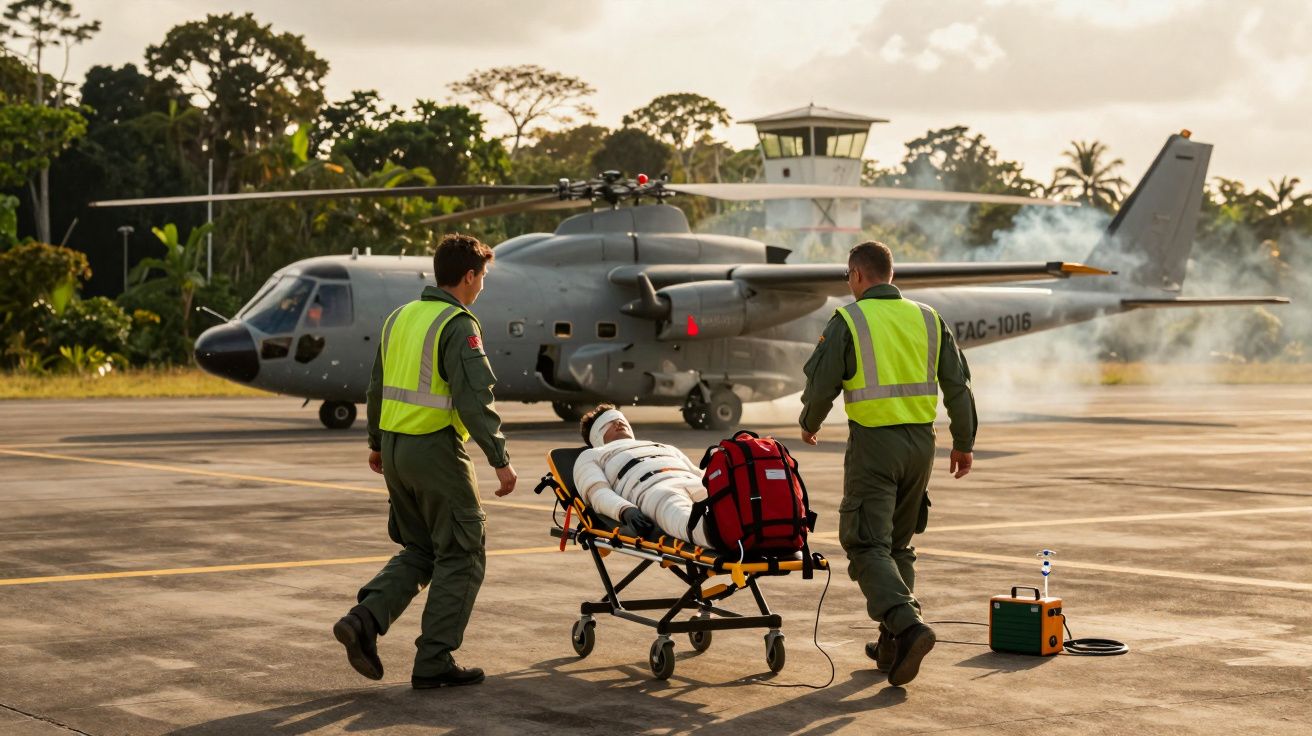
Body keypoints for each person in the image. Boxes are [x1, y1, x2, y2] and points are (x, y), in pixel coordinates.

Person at [334, 234, 518, 690]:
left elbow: (376, 386)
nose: (482, 287)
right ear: (468, 276)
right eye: (482, 278)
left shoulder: (401, 317)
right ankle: (434, 659)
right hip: (434, 451)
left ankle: (363, 620)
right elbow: (474, 399)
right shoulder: (458, 323)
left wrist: (376, 442)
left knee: (420, 549)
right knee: (463, 551)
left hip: (395, 450)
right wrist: (500, 459)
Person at [799, 241, 976, 688]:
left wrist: (808, 421)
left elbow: (823, 382)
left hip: (875, 446)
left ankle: (909, 625)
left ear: (857, 275)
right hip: (922, 445)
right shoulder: (929, 318)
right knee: (899, 546)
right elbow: (958, 385)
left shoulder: (850, 319)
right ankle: (892, 647)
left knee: (864, 544)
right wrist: (964, 442)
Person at [573, 404, 712, 547]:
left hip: (694, 482)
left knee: (726, 502)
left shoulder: (664, 447)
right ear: (596, 435)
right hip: (655, 491)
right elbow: (597, 493)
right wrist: (624, 510)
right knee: (693, 525)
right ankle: (725, 538)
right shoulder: (592, 455)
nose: (618, 423)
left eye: (620, 419)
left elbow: (701, 474)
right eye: (608, 423)